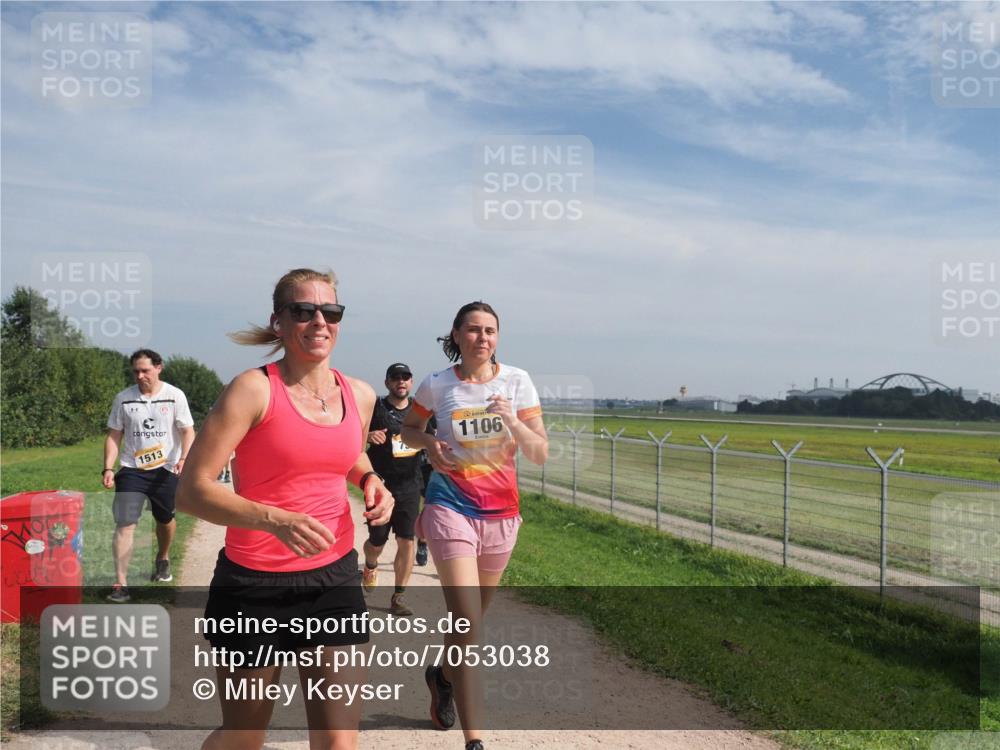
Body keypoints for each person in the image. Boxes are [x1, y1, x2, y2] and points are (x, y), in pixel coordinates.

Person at [176, 268, 393, 750]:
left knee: (339, 740)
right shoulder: (252, 390)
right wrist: (274, 519)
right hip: (254, 585)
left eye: (330, 311)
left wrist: (371, 479)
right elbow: (192, 490)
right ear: (279, 323)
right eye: (304, 310)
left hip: (334, 577)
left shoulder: (358, 394)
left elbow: (346, 453)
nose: (319, 321)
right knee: (245, 737)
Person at [401, 301, 548, 750]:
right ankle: (475, 740)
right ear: (457, 335)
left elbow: (540, 452)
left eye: (490, 331)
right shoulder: (438, 383)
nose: (482, 338)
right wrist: (428, 443)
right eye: (473, 330)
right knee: (467, 621)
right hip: (450, 507)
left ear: (497, 337)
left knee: (469, 623)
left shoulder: (517, 381)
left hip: (502, 516)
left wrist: (512, 422)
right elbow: (408, 430)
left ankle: (442, 676)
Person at [103, 348, 195, 603]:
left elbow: (188, 431)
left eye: (145, 370)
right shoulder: (123, 398)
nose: (140, 376)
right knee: (125, 524)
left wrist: (184, 459)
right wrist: (109, 467)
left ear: (158, 368)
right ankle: (120, 583)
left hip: (165, 469)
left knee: (164, 519)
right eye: (136, 371)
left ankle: (162, 557)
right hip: (132, 469)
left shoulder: (175, 396)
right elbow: (114, 435)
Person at [361, 363, 430, 616]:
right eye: (396, 377)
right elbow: (354, 438)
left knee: (406, 540)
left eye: (406, 377)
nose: (401, 381)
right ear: (387, 382)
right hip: (380, 486)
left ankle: (399, 596)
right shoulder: (375, 408)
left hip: (410, 486)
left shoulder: (419, 412)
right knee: (377, 542)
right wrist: (367, 436)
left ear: (411, 382)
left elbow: (430, 440)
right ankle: (370, 563)